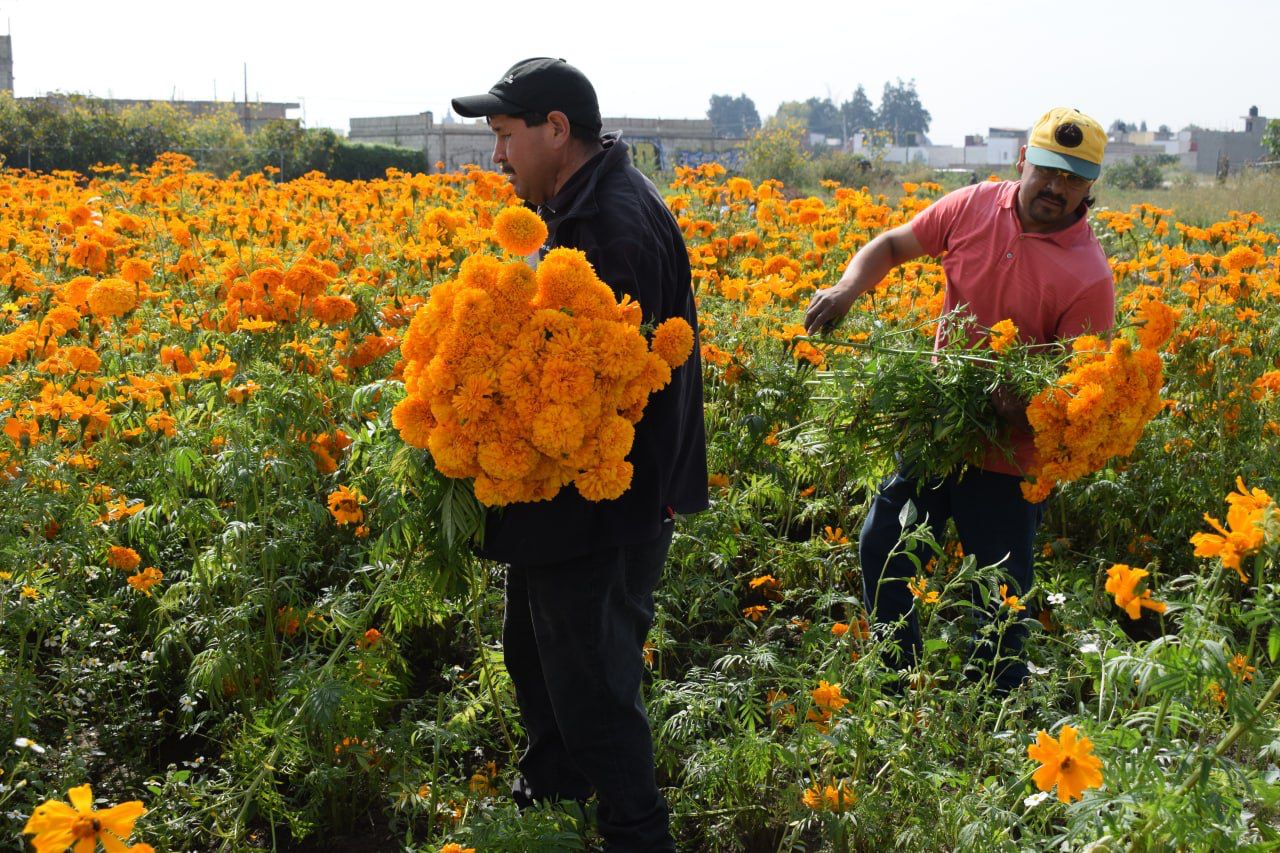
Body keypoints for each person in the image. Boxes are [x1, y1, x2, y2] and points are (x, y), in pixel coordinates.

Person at [451, 57, 707, 851]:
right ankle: (553, 796)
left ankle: (636, 833)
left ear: (556, 131)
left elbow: (603, 399)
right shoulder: (577, 207)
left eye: (503, 136)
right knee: (540, 657)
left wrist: (485, 410)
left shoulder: (611, 229)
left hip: (602, 507)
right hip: (566, 502)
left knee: (593, 684)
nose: (496, 157)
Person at [804, 107, 1115, 693]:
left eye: (1073, 178)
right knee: (885, 543)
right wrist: (847, 289)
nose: (1056, 187)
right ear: (1024, 161)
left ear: (1090, 186)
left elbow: (1077, 401)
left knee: (999, 594)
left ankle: (991, 711)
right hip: (940, 426)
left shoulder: (1089, 278)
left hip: (1009, 460)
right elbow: (894, 245)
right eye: (1048, 169)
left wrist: (1020, 406)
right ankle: (896, 679)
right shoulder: (973, 205)